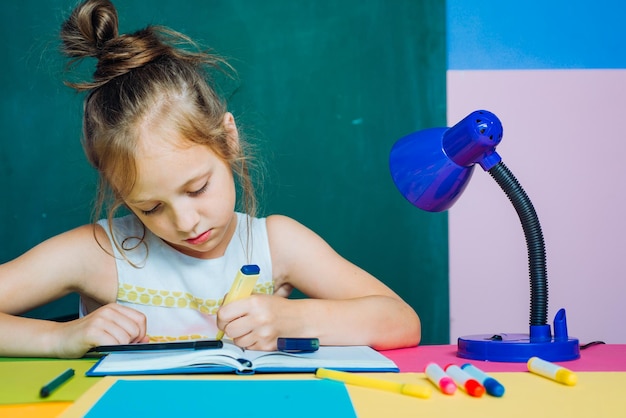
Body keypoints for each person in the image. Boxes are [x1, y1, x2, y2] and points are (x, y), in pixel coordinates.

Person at [0, 0, 420, 359]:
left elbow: (402, 322)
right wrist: (59, 337)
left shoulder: (278, 244)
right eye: (149, 207)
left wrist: (296, 318)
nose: (185, 223)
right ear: (118, 190)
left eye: (197, 188)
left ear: (229, 140)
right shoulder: (97, 253)